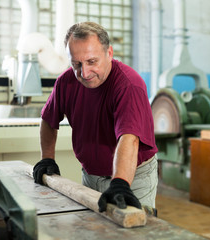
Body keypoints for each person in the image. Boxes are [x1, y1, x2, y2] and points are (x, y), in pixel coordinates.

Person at [33, 22, 158, 213]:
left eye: (92, 62)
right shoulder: (65, 82)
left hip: (133, 177)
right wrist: (47, 159)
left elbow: (129, 138)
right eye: (76, 64)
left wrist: (121, 183)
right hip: (91, 175)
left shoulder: (128, 85)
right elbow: (49, 120)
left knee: (132, 230)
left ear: (109, 53)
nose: (84, 73)